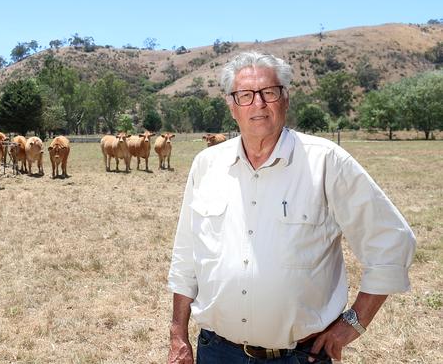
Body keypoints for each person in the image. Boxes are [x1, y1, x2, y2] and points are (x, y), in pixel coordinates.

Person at [166, 51, 416, 363]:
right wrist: (178, 333)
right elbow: (186, 256)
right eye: (245, 95)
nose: (258, 104)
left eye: (269, 93)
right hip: (216, 351)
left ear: (285, 99)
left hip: (299, 355)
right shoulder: (207, 164)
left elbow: (391, 240)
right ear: (231, 106)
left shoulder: (326, 162)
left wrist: (352, 324)